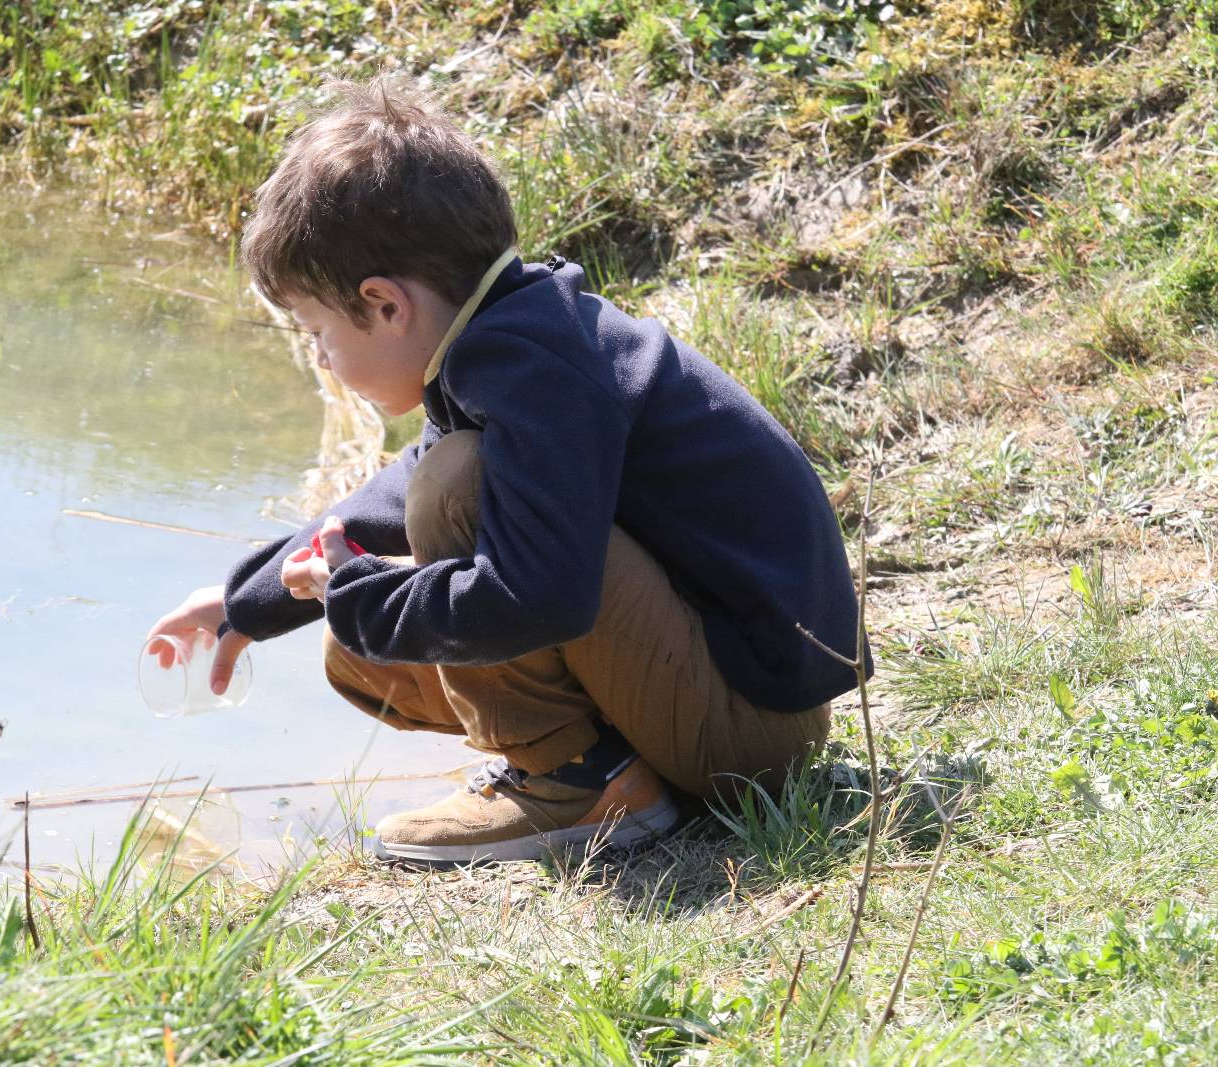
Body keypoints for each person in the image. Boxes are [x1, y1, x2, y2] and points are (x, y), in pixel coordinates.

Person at [147, 78, 868, 865]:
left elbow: (537, 590)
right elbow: (390, 496)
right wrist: (249, 600)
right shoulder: (511, 338)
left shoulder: (534, 372)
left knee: (455, 489)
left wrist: (355, 591)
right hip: (724, 694)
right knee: (365, 655)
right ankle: (611, 767)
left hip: (751, 729)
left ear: (385, 305)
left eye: (319, 331)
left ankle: (577, 780)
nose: (320, 355)